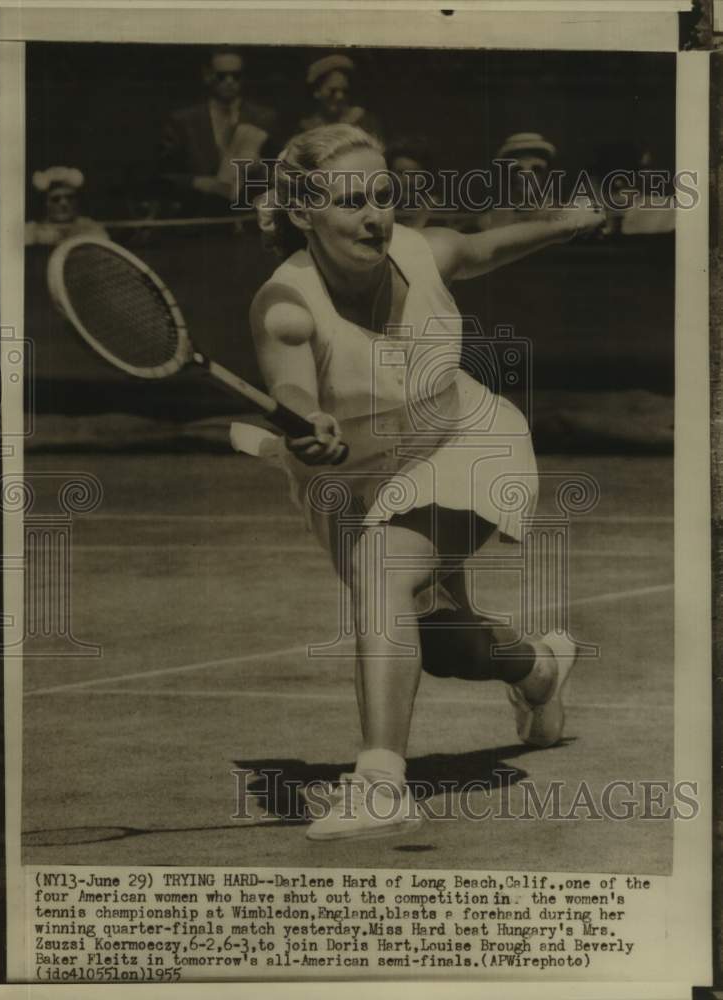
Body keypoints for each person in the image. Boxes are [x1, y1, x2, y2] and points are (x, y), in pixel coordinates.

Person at [245, 125, 603, 841]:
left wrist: (564, 224)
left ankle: (380, 782)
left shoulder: (420, 249)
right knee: (446, 649)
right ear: (300, 213)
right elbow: (291, 389)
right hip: (354, 482)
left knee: (385, 569)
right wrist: (308, 423)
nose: (374, 214)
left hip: (466, 438)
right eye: (350, 202)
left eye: (383, 194)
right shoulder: (286, 308)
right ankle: (538, 668)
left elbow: (481, 247)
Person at [158, 48, 277, 214]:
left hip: (248, 218)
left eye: (236, 76)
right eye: (222, 75)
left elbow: (281, 172)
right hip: (199, 217)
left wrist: (260, 170)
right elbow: (162, 175)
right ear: (207, 75)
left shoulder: (264, 118)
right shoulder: (183, 121)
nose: (229, 81)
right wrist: (196, 182)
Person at [479, 131, 558, 231]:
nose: (527, 176)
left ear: (546, 173)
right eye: (517, 169)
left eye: (536, 169)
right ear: (507, 175)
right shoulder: (490, 221)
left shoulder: (562, 214)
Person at [299, 53, 382, 138]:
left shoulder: (361, 121)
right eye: (332, 91)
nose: (340, 97)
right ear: (316, 92)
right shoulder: (307, 129)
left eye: (345, 91)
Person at [25, 167, 108, 246]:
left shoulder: (92, 229)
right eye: (56, 199)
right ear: (45, 203)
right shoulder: (31, 232)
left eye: (70, 197)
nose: (64, 203)